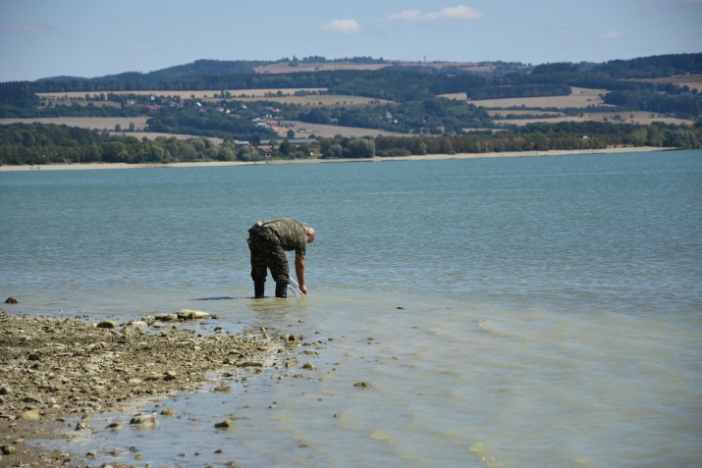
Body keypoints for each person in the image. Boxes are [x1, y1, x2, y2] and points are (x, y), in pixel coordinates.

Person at [247, 218, 315, 298]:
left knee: (259, 267)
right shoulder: (302, 236)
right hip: (270, 234)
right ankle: (281, 302)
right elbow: (299, 264)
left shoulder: (291, 223)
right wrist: (302, 285)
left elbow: (263, 223)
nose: (306, 243)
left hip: (255, 230)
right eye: (308, 241)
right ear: (308, 234)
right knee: (282, 272)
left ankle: (258, 298)